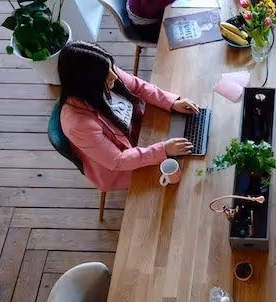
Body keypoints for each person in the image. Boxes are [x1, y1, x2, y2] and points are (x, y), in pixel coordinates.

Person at [59, 41, 200, 192]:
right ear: (87, 83)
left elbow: (138, 87)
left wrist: (172, 102)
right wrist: (163, 149)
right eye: (106, 75)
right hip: (120, 168)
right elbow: (118, 161)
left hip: (140, 135)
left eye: (111, 67)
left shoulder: (104, 71)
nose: (114, 75)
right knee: (185, 180)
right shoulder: (78, 124)